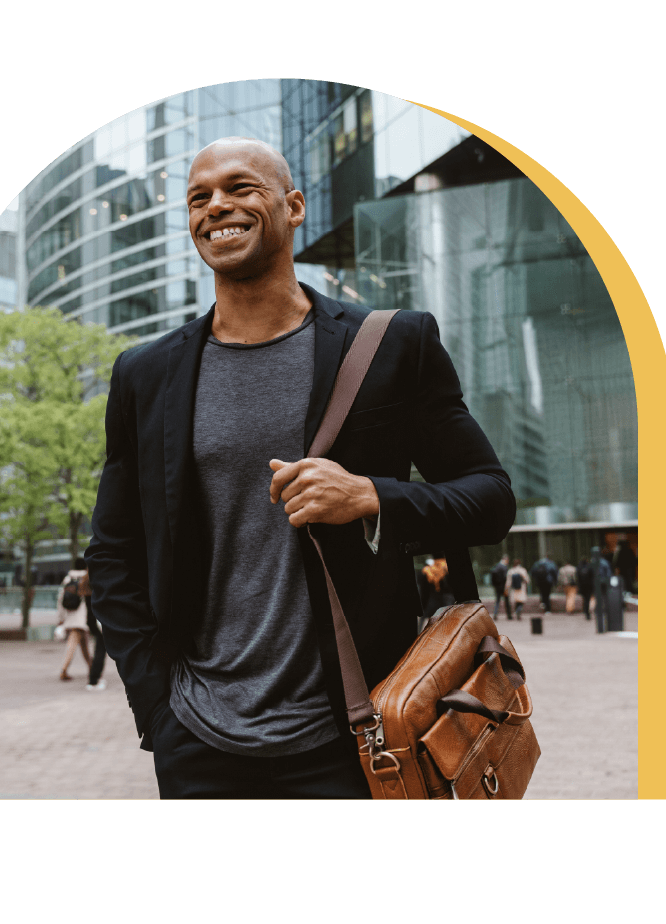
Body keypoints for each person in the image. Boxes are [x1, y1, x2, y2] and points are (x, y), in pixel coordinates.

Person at [86, 137, 515, 799]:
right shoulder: (146, 374)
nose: (216, 206)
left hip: (356, 731)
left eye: (239, 187)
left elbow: (491, 499)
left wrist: (372, 496)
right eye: (199, 197)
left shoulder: (392, 345)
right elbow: (114, 552)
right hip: (198, 739)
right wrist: (157, 708)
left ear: (293, 207)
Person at [57, 558, 94, 682]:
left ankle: (92, 668)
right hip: (83, 616)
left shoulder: (68, 579)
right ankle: (64, 669)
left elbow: (60, 599)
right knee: (73, 643)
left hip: (71, 614)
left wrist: (61, 618)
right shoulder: (87, 578)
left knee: (84, 644)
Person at [83, 554, 107, 691]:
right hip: (99, 620)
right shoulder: (99, 581)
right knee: (100, 649)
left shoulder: (86, 580)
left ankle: (94, 678)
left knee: (99, 647)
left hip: (91, 620)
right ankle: (93, 680)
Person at [419, 556, 454, 622]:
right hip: (442, 599)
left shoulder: (427, 571)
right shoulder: (443, 569)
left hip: (436, 600)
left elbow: (424, 592)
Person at [488, 555, 510, 620]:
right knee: (506, 601)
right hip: (504, 586)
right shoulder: (504, 567)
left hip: (497, 587)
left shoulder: (496, 566)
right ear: (505, 559)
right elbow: (506, 577)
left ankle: (495, 614)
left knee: (497, 601)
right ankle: (509, 615)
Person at [577, 554, 597, 621]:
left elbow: (578, 578)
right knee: (588, 599)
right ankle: (588, 612)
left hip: (582, 586)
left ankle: (586, 611)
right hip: (589, 586)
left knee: (585, 599)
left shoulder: (579, 567)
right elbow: (593, 577)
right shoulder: (589, 567)